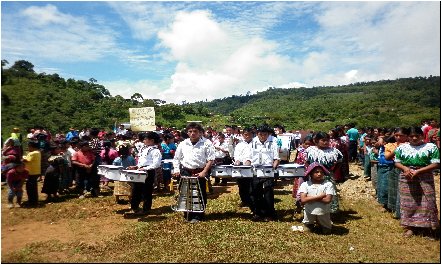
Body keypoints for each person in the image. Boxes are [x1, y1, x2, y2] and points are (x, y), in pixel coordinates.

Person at [394, 126, 440, 238]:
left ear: (422, 135)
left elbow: (436, 163)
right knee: (409, 203)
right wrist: (405, 169)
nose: (414, 138)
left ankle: (428, 227)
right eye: (411, 136)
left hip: (425, 177)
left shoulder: (431, 147)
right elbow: (397, 162)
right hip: (407, 178)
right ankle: (410, 227)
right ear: (408, 137)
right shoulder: (402, 147)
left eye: (417, 136)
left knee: (427, 201)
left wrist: (418, 171)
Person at [172, 122, 215, 223]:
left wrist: (204, 171)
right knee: (185, 193)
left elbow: (211, 159)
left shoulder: (206, 143)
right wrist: (177, 170)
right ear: (187, 133)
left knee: (199, 194)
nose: (192, 133)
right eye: (190, 131)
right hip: (186, 171)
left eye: (195, 131)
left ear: (200, 133)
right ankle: (187, 213)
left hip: (199, 172)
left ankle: (198, 215)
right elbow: (176, 158)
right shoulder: (183, 143)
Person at [305, 132, 342, 213]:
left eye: (327, 140)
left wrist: (333, 172)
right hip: (313, 177)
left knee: (329, 192)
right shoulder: (310, 150)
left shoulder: (334, 151)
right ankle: (313, 210)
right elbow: (307, 162)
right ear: (316, 141)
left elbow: (339, 161)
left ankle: (331, 212)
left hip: (328, 176)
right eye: (323, 140)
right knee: (314, 192)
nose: (326, 142)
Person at [249, 124, 280, 221]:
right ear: (257, 134)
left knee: (268, 192)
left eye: (265, 134)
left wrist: (274, 166)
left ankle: (269, 213)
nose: (262, 136)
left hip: (268, 171)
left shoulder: (273, 143)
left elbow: (276, 158)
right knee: (255, 192)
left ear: (268, 134)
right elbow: (249, 158)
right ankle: (258, 212)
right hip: (255, 171)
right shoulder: (253, 143)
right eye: (260, 134)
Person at [127, 132, 162, 215]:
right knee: (136, 189)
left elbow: (156, 164)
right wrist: (136, 167)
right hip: (140, 170)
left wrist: (145, 168)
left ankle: (146, 209)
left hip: (148, 172)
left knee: (147, 190)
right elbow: (141, 161)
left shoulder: (155, 151)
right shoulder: (144, 149)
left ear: (152, 140)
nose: (144, 140)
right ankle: (134, 207)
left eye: (146, 139)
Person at [299, 162, 335, 234]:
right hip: (309, 210)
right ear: (311, 173)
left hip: (323, 211)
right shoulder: (305, 184)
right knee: (307, 228)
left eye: (321, 172)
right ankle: (309, 224)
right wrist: (320, 196)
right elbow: (303, 200)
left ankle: (323, 225)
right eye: (316, 172)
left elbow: (328, 200)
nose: (319, 174)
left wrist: (309, 198)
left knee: (326, 231)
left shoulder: (328, 184)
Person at [292, 135, 314, 214]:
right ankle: (299, 205)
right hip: (302, 173)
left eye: (310, 144)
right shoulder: (300, 152)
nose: (308, 146)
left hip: (311, 174)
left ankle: (308, 207)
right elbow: (297, 162)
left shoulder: (315, 152)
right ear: (303, 144)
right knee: (300, 189)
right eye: (306, 144)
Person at [233, 127, 253, 207]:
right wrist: (237, 160)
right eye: (245, 135)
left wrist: (249, 160)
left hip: (251, 166)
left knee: (251, 184)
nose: (247, 136)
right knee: (241, 184)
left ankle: (251, 200)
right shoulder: (239, 144)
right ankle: (244, 200)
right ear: (243, 135)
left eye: (249, 134)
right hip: (241, 166)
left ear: (252, 135)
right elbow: (236, 154)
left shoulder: (255, 144)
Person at [22, 141, 42, 206]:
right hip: (35, 172)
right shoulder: (38, 152)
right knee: (33, 187)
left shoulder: (32, 153)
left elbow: (27, 160)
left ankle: (32, 201)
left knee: (30, 187)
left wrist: (21, 158)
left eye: (28, 146)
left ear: (31, 146)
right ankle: (33, 200)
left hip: (31, 172)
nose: (28, 148)